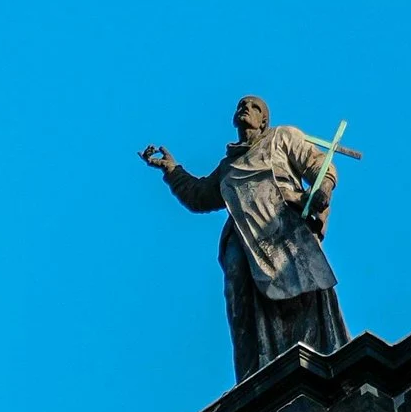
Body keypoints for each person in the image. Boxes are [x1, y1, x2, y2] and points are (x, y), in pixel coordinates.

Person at [142, 99, 347, 379]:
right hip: (242, 237)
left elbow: (318, 163)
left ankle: (314, 357)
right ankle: (257, 371)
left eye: (254, 106)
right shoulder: (229, 165)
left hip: (283, 227)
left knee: (304, 295)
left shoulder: (281, 137)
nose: (245, 107)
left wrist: (323, 187)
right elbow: (200, 195)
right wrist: (173, 171)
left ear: (264, 120)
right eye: (241, 105)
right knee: (240, 301)